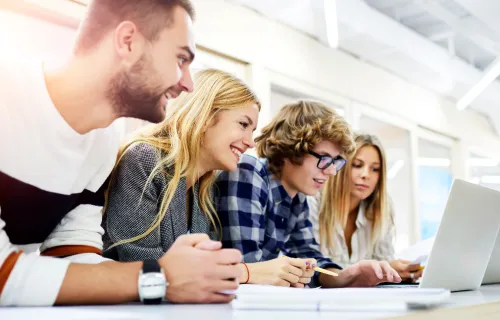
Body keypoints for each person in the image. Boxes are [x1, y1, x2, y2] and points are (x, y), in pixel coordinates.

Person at [0, 0, 241, 306]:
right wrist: (159, 277)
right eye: (181, 59)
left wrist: (185, 274)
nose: (188, 84)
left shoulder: (102, 138)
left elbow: (72, 256)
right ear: (128, 41)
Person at [214, 101, 402, 288]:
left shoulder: (297, 198)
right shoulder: (249, 173)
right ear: (292, 148)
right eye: (325, 159)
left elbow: (311, 262)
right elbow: (251, 271)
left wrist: (347, 275)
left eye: (336, 162)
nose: (331, 172)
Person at [102, 68, 260, 263]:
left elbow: (205, 264)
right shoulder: (144, 159)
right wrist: (247, 272)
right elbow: (140, 262)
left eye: (252, 131)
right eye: (244, 125)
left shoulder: (203, 189)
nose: (251, 143)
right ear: (205, 117)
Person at [308, 133, 423, 282]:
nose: (365, 175)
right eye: (357, 165)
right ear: (340, 166)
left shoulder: (381, 209)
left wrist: (395, 271)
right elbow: (312, 267)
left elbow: (384, 259)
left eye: (375, 169)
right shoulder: (313, 202)